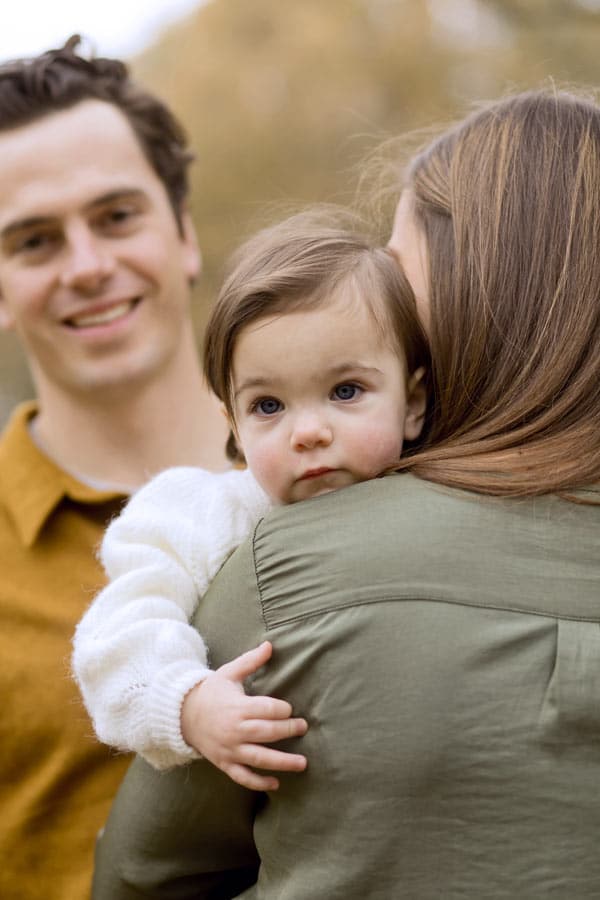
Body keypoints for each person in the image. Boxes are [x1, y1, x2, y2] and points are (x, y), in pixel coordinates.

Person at [93, 88, 600, 899]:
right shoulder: (221, 518)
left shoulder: (281, 566)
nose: (308, 431)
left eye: (397, 276)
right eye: (267, 405)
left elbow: (144, 876)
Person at [72, 212, 429, 788]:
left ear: (412, 403)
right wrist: (188, 703)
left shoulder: (438, 501)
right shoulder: (202, 514)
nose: (307, 431)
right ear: (233, 425)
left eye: (346, 391)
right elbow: (116, 637)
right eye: (269, 406)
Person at [0, 36, 229, 900]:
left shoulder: (359, 470)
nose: (88, 267)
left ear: (184, 234)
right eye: (33, 241)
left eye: (117, 216)